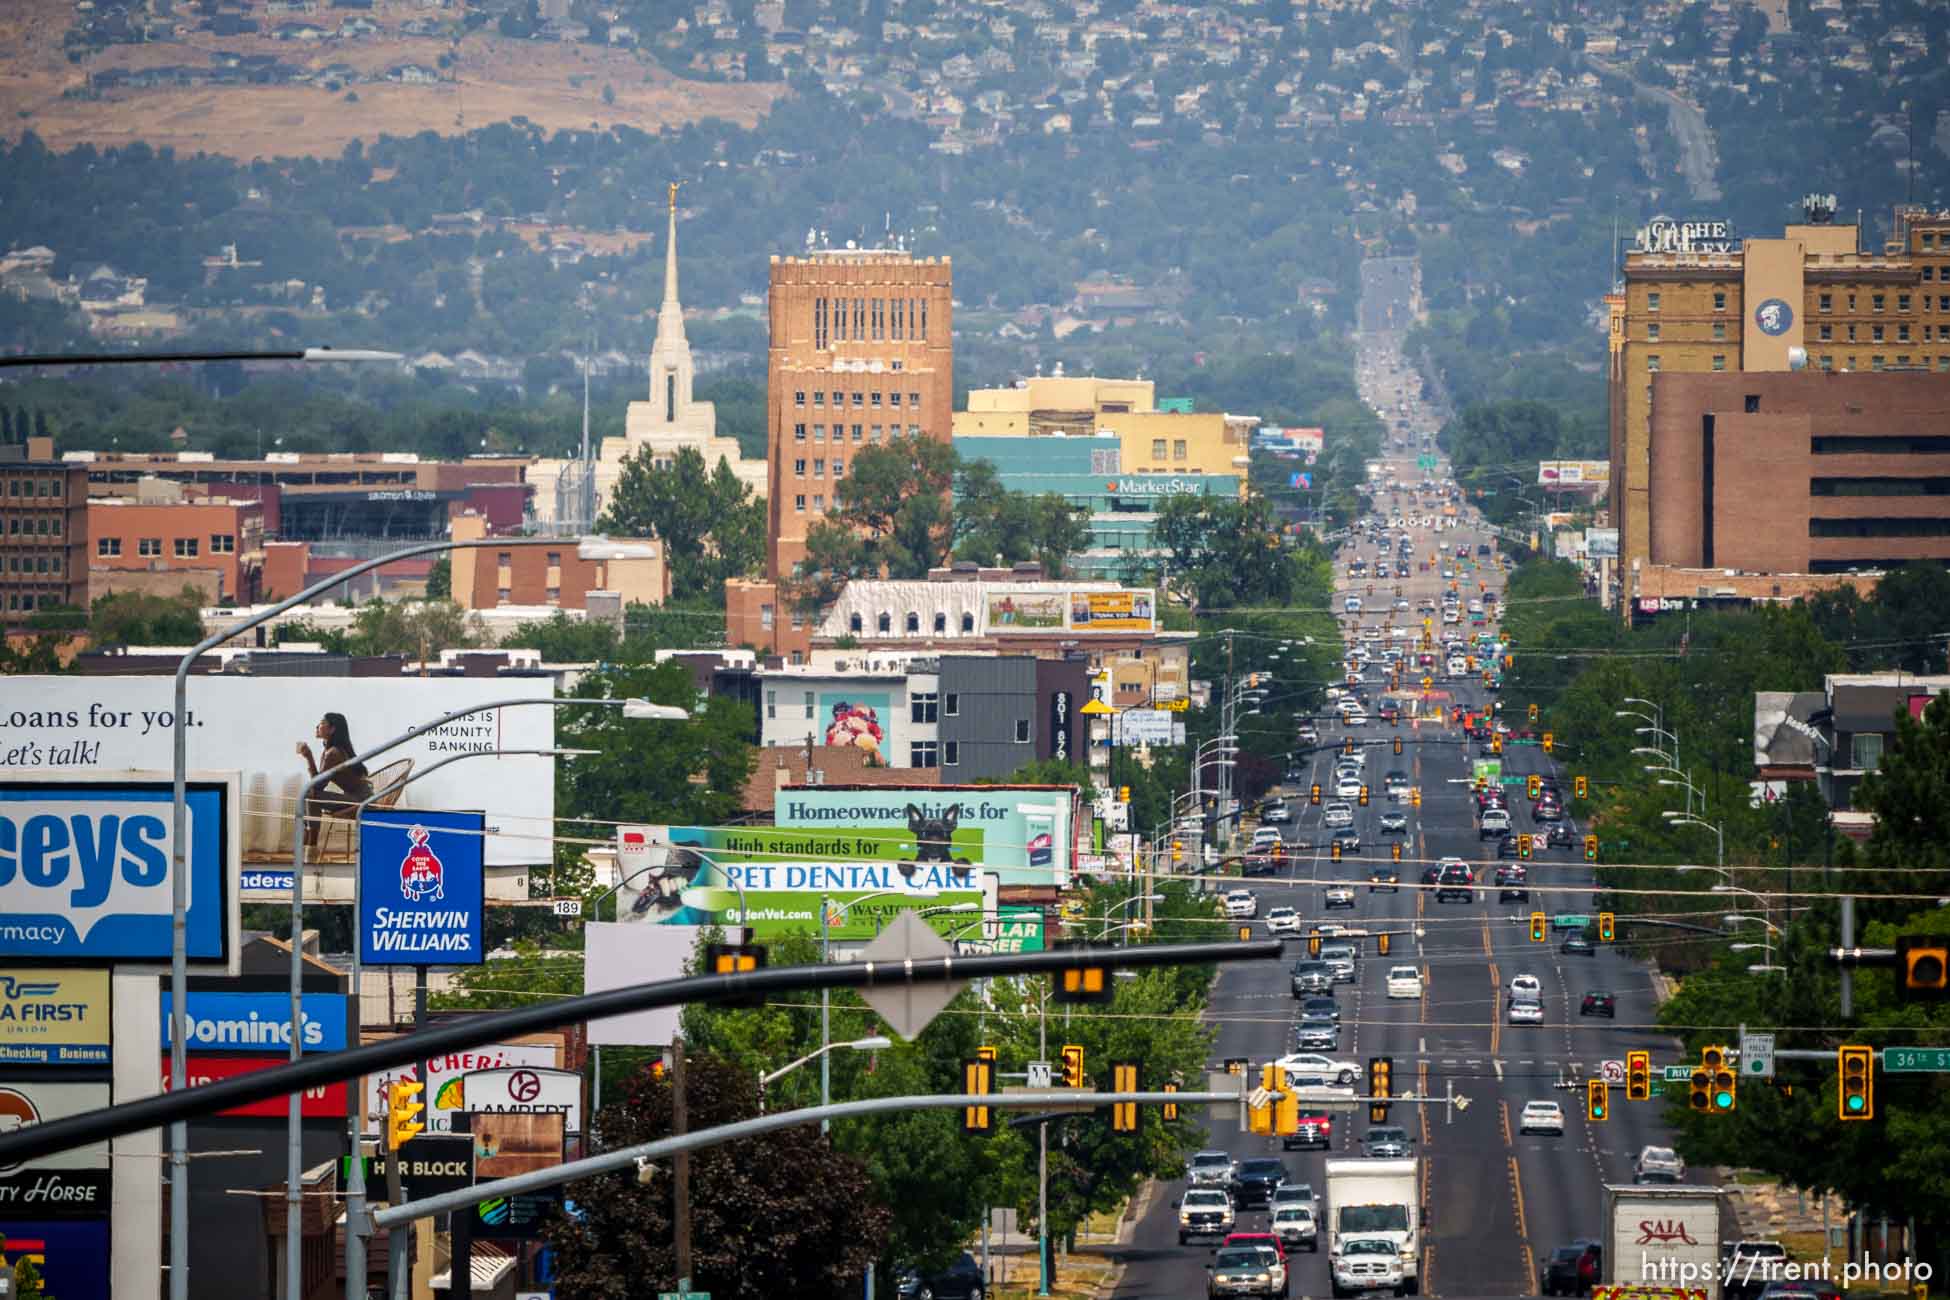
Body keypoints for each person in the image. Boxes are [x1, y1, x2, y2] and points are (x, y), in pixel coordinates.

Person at [296, 712, 374, 850]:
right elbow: (317, 785)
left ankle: (310, 845)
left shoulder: (334, 753)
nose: (317, 726)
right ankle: (309, 844)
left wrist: (308, 757)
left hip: (363, 803)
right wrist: (309, 757)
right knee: (310, 795)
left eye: (322, 723)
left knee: (310, 795)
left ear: (332, 729)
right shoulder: (330, 750)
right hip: (358, 799)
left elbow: (317, 785)